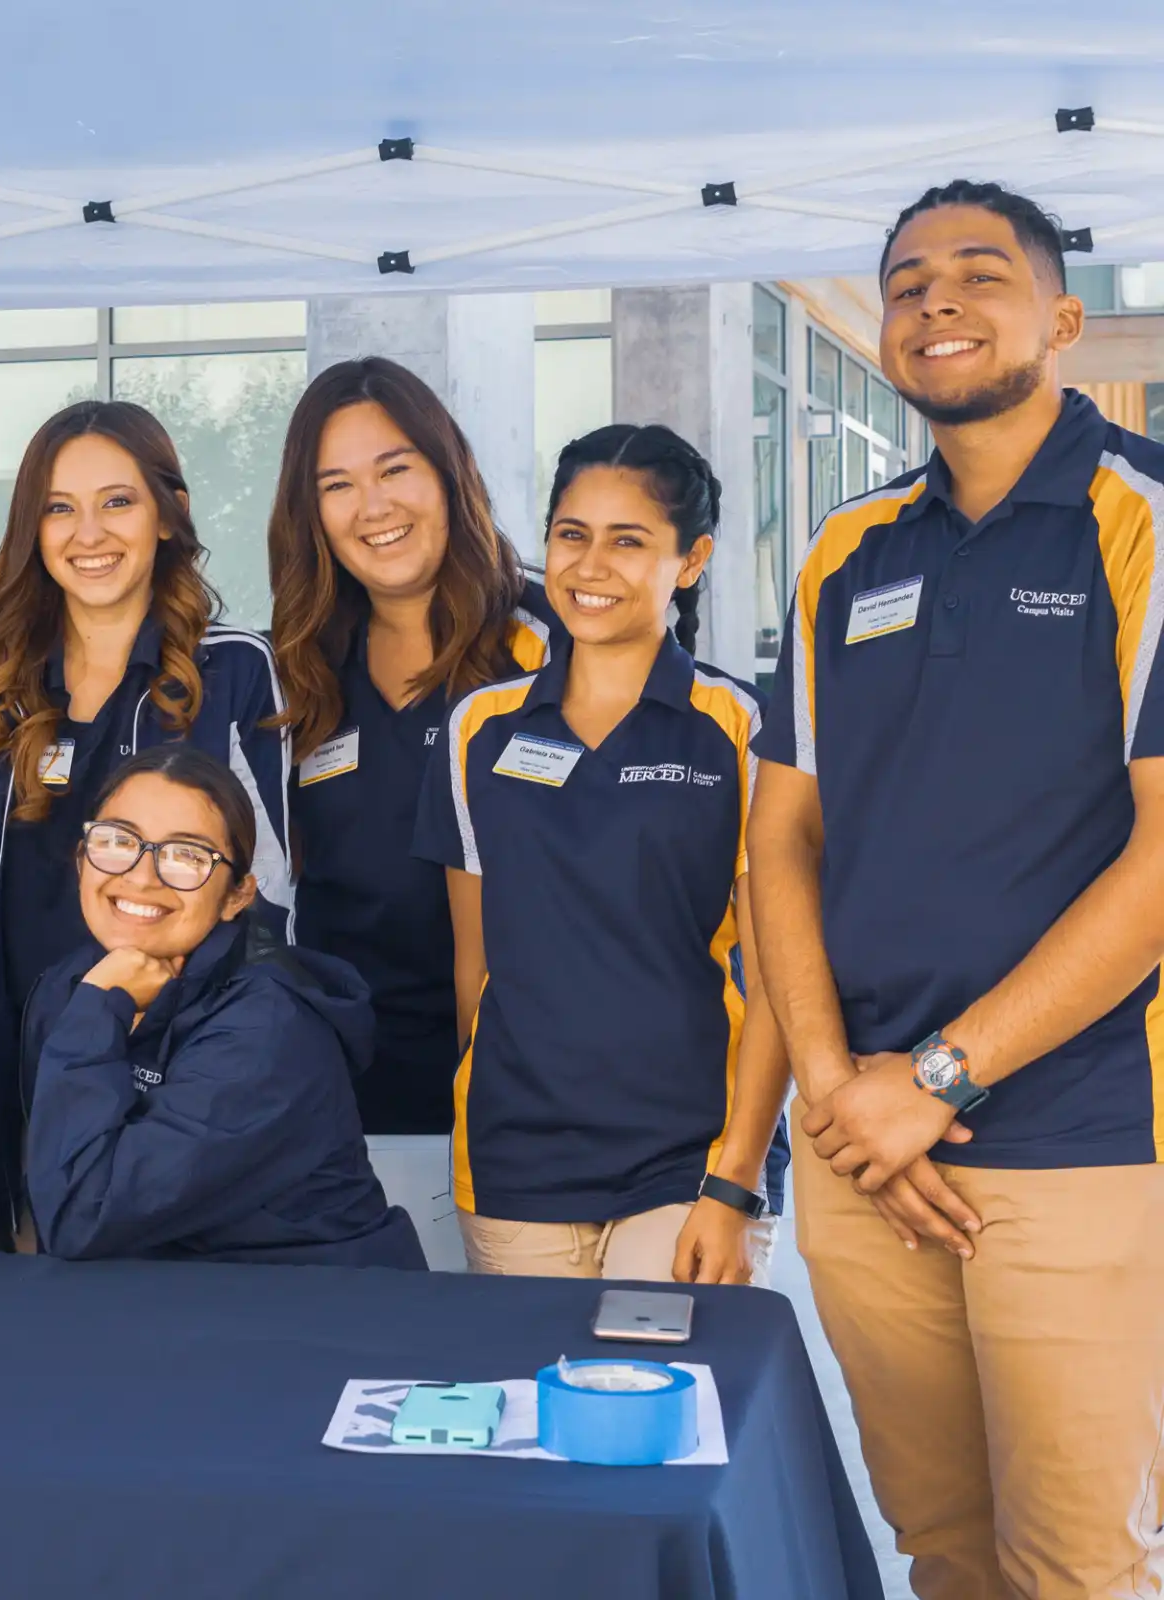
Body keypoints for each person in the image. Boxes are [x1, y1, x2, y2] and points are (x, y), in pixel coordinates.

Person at [750, 180, 1164, 1598]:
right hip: (869, 1150)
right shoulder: (840, 554)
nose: (936, 301)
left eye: (979, 275)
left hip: (1087, 1137)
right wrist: (835, 1092)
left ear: (1061, 320)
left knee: (1074, 1571)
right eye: (908, 281)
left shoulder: (1144, 524)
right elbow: (780, 844)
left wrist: (937, 1074)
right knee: (943, 1557)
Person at [0, 399, 292, 1246]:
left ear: (167, 516)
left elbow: (271, 907)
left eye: (118, 502)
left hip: (174, 1091)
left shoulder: (232, 671)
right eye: (59, 507)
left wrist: (223, 1076)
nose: (89, 533)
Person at [412, 424, 788, 1284]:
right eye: (572, 536)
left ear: (691, 561)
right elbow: (475, 970)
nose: (591, 566)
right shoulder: (479, 728)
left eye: (630, 541)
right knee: (530, 1412)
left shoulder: (741, 729)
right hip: (515, 1162)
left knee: (652, 1404)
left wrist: (736, 1179)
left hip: (689, 1158)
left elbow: (777, 982)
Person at [269, 355, 556, 1135]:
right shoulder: (294, 671)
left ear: (447, 472)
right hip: (340, 1095)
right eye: (337, 485)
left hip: (529, 1092)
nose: (373, 507)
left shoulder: (547, 645)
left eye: (395, 469)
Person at [23, 746, 424, 1269]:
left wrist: (99, 1011)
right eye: (119, 841)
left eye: (186, 855)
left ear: (238, 896)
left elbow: (85, 1214)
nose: (143, 877)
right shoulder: (75, 985)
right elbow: (52, 1194)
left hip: (319, 1315)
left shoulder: (270, 1026)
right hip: (172, 1309)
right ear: (82, 860)